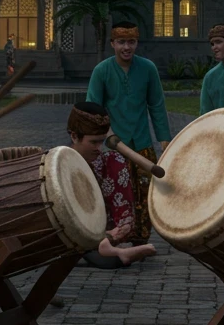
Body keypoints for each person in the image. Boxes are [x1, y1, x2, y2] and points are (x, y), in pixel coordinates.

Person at [85, 23, 170, 243]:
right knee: (117, 194)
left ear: (136, 43)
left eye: (131, 42)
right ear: (112, 44)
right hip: (114, 147)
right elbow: (93, 109)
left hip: (142, 143)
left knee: (145, 193)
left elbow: (157, 105)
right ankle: (116, 238)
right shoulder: (102, 71)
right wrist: (108, 134)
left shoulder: (147, 68)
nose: (126, 47)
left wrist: (164, 139)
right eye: (121, 42)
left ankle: (141, 239)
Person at [66, 102, 158, 268]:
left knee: (116, 159)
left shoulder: (109, 161)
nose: (99, 148)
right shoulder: (59, 166)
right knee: (91, 252)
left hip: (108, 236)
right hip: (74, 237)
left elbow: (123, 213)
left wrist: (116, 233)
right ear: (74, 136)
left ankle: (112, 249)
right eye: (93, 142)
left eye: (101, 142)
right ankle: (114, 254)